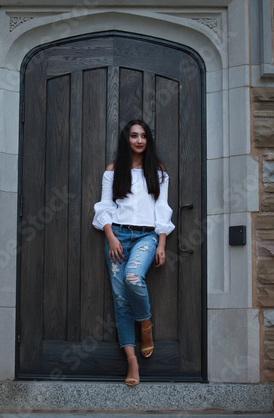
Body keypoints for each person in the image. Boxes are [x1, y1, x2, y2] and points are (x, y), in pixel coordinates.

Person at [92, 119, 175, 386]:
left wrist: (161, 243)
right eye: (133, 136)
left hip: (146, 236)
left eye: (143, 136)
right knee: (120, 299)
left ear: (148, 140)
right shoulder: (113, 171)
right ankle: (132, 362)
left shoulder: (159, 172)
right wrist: (110, 236)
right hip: (117, 236)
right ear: (126, 139)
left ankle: (146, 326)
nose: (139, 140)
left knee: (132, 278)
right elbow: (104, 206)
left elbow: (162, 208)